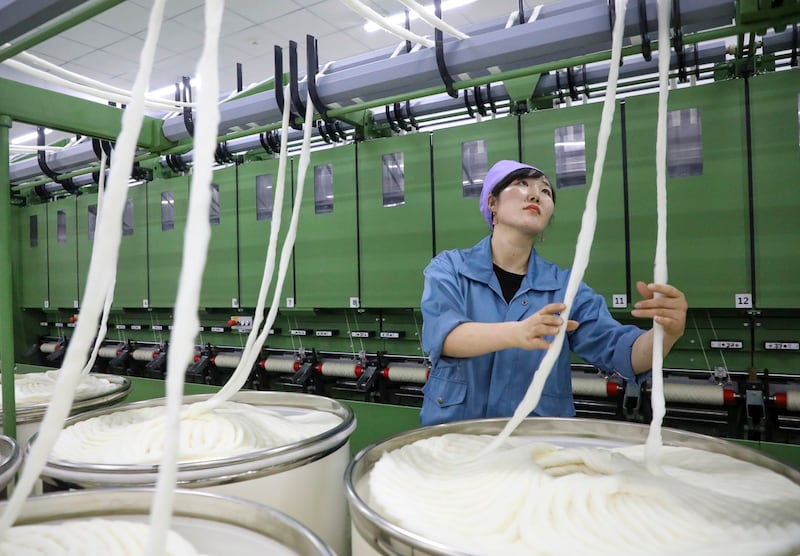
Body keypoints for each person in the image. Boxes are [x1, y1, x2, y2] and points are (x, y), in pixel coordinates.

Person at [419, 160, 688, 426]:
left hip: (534, 445)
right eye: (522, 184)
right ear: (493, 204)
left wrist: (664, 334)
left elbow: (621, 352)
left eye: (545, 191)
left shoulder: (566, 287)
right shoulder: (450, 268)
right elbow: (445, 336)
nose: (536, 193)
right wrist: (518, 332)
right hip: (456, 440)